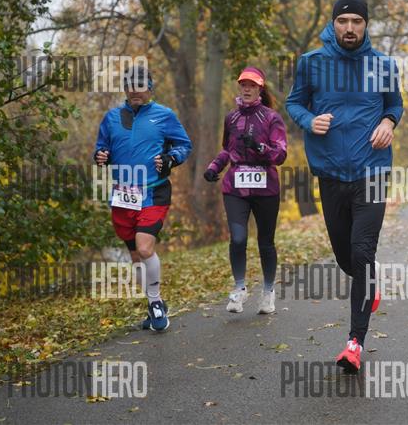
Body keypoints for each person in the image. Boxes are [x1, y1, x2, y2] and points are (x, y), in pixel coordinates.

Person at [286, 0, 403, 371]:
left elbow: (394, 104)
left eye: (356, 21)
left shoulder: (383, 65)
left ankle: (355, 342)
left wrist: (388, 122)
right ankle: (368, 285)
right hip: (331, 172)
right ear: (333, 23)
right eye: (343, 21)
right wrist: (309, 120)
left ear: (366, 25)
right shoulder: (311, 63)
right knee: (345, 256)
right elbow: (293, 103)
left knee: (362, 251)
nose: (349, 28)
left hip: (373, 170)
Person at [94, 65, 192, 332]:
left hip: (154, 191)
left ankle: (156, 301)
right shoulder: (112, 118)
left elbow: (184, 145)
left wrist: (171, 158)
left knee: (145, 248)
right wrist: (101, 156)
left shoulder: (164, 115)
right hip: (123, 195)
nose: (135, 90)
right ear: (125, 88)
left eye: (140, 85)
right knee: (136, 255)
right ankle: (152, 304)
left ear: (150, 88)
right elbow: (102, 147)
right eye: (130, 85)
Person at [203, 67, 287, 315]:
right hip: (235, 187)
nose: (247, 89)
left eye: (252, 85)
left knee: (265, 242)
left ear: (260, 88)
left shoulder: (271, 118)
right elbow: (227, 150)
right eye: (243, 85)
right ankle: (239, 288)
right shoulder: (231, 118)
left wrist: (260, 147)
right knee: (238, 238)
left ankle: (268, 292)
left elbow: (280, 154)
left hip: (266, 188)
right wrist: (214, 167)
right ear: (240, 87)